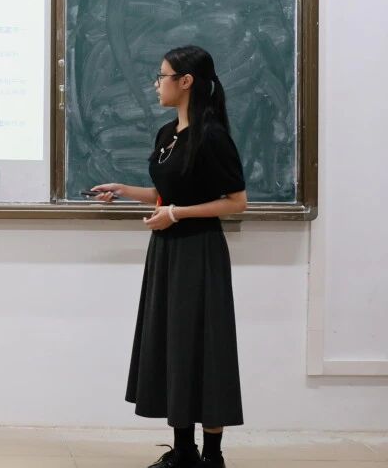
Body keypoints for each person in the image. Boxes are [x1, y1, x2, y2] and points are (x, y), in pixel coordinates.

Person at [92, 45, 247, 468]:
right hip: (166, 251)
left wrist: (176, 214)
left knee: (204, 345)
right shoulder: (167, 134)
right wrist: (124, 190)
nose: (156, 84)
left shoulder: (212, 136)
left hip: (199, 251)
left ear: (186, 81)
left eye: (162, 76)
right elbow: (167, 193)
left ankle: (211, 455)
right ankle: (183, 451)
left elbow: (236, 202)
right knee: (173, 343)